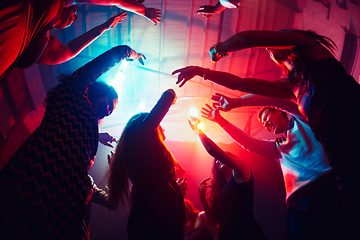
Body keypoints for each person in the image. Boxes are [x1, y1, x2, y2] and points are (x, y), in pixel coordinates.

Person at [172, 29, 360, 232]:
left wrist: (220, 49)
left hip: (350, 131)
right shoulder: (291, 90)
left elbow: (250, 39)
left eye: (266, 117)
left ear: (280, 112)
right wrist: (204, 73)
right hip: (332, 168)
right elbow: (241, 86)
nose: (268, 50)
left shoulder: (310, 51)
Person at [0, 45, 145, 239]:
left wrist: (97, 137)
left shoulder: (89, 131)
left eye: (112, 110)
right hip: (29, 190)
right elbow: (112, 56)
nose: (109, 110)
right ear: (95, 90)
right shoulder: (72, 95)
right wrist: (132, 54)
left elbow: (72, 139)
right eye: (109, 102)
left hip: (59, 217)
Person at [201, 93, 347, 239]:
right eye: (263, 124)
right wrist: (219, 120)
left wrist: (238, 102)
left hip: (325, 188)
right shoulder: (278, 147)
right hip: (297, 204)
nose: (265, 125)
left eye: (266, 118)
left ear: (277, 111)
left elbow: (273, 98)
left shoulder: (302, 119)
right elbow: (248, 143)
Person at [0, 0, 160, 82]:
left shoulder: (41, 41)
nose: (76, 16)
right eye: (75, 9)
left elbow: (69, 51)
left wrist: (104, 27)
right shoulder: (51, 4)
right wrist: (143, 10)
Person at [106, 89, 185, 240]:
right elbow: (168, 96)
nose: (162, 128)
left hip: (159, 217)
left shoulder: (144, 163)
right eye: (157, 125)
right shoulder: (139, 135)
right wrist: (173, 97)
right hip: (157, 220)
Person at [188, 117, 266, 240]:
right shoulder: (220, 191)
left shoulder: (242, 172)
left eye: (222, 157)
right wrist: (202, 198)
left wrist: (198, 131)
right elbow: (214, 222)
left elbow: (211, 149)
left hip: (247, 234)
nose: (218, 160)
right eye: (216, 161)